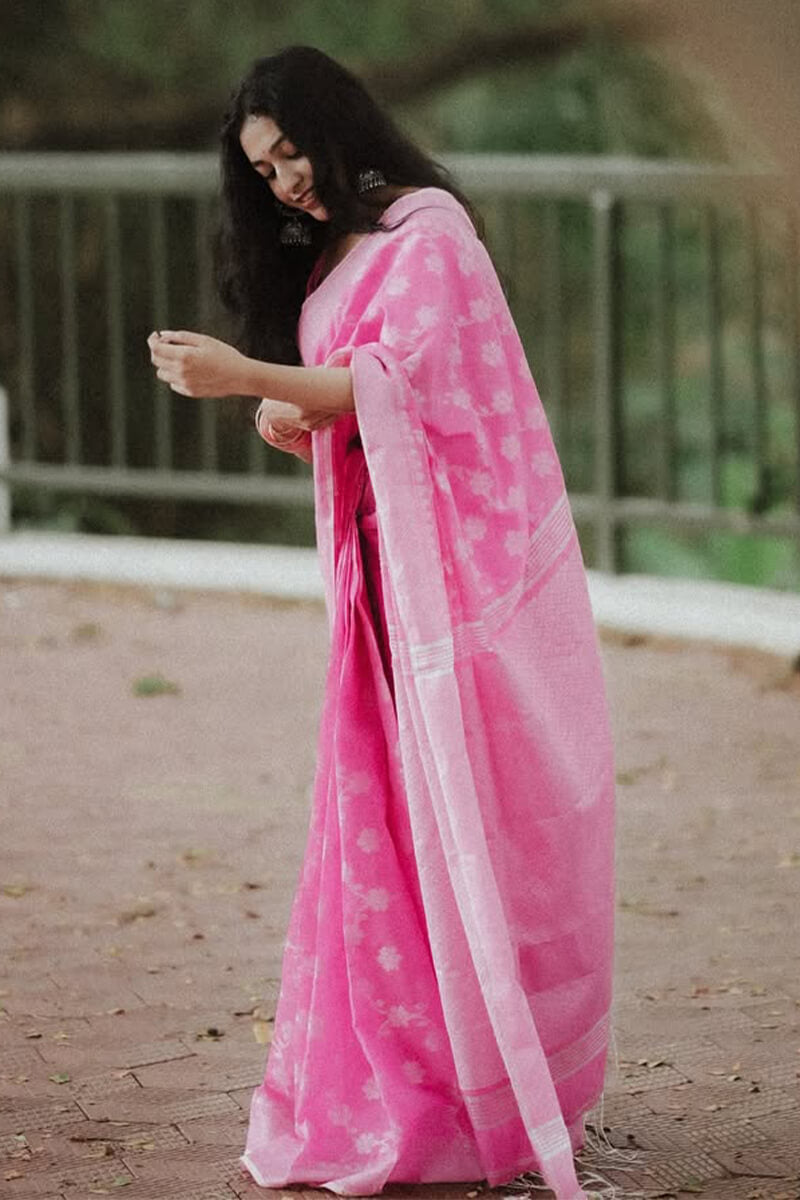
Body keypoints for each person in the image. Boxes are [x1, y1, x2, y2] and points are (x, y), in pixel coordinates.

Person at [147, 45, 615, 1200]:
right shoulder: (337, 256)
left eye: (290, 151)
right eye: (261, 171)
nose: (284, 182)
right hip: (376, 576)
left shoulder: (427, 230)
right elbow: (361, 396)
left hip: (447, 584)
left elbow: (413, 385)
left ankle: (482, 1080)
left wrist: (245, 375)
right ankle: (410, 1074)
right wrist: (292, 414)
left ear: (334, 123)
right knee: (389, 819)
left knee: (454, 810)